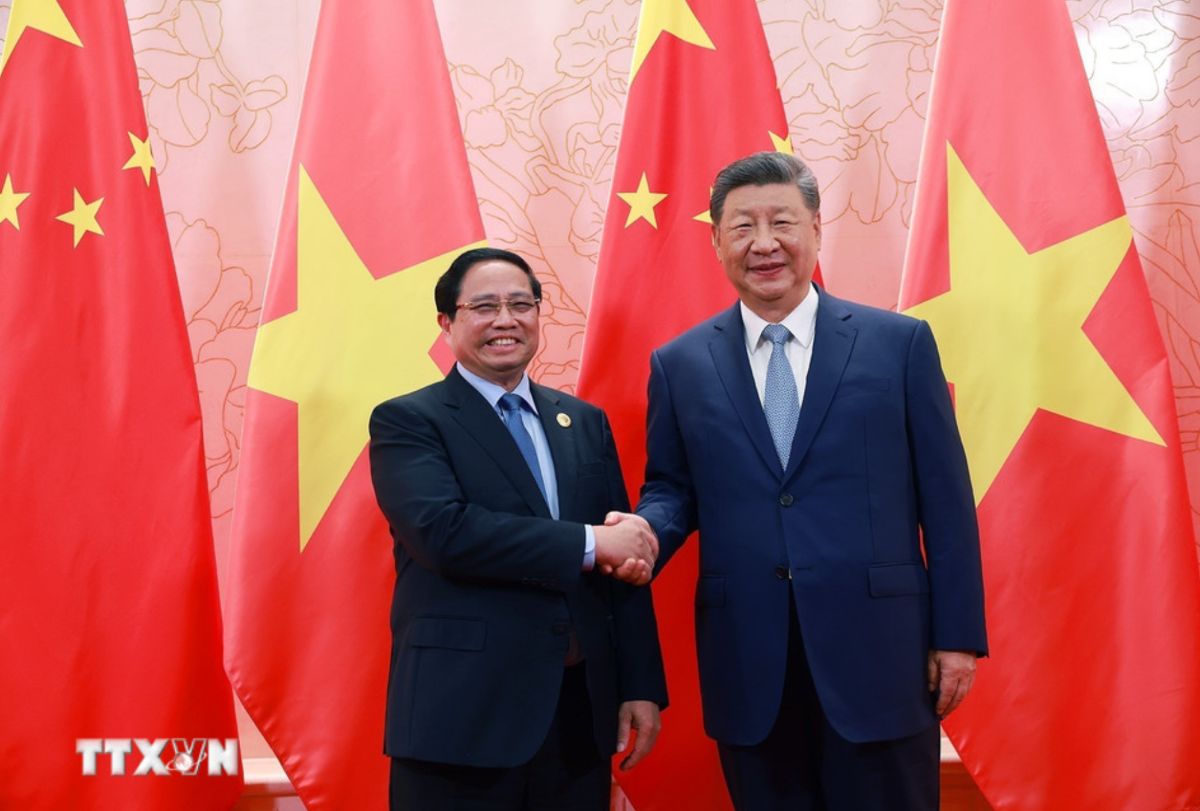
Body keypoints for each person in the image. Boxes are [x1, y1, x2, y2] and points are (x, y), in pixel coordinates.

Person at [611, 152, 987, 810]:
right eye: (742, 227)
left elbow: (947, 500)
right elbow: (674, 488)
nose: (764, 243)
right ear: (716, 241)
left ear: (815, 226)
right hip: (750, 659)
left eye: (781, 221)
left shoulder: (897, 344)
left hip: (882, 654)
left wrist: (956, 635)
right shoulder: (681, 365)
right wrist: (644, 530)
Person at [368, 247, 667, 810]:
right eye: (484, 306)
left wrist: (640, 686)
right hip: (461, 719)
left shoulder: (582, 421)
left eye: (520, 304)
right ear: (447, 322)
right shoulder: (409, 420)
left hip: (577, 715)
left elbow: (621, 563)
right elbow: (444, 532)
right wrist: (588, 542)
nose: (505, 320)